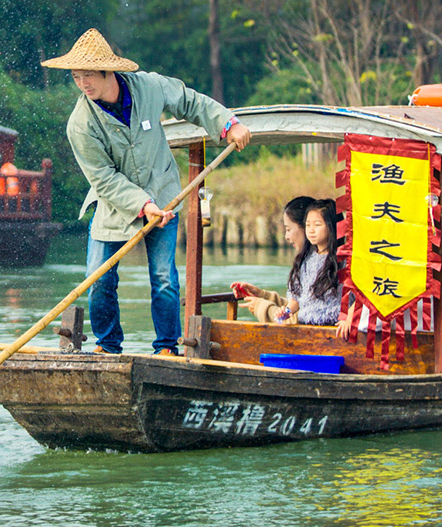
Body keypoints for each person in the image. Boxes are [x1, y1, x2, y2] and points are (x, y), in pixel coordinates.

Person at [41, 28, 251, 355]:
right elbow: (104, 178)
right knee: (99, 281)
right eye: (76, 77)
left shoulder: (148, 86)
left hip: (163, 193)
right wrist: (142, 205)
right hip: (113, 205)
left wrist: (228, 124)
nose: (83, 84)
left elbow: (189, 101)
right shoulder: (80, 124)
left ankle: (167, 347)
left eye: (88, 76)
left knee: (164, 279)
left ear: (108, 72)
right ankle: (108, 346)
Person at [230, 196, 315, 324]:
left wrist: (261, 307)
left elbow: (301, 320)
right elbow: (296, 307)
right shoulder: (309, 262)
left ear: (307, 227)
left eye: (288, 229)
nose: (286, 236)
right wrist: (262, 295)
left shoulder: (322, 266)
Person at [273, 198, 341, 326]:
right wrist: (286, 312)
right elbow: (297, 298)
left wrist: (348, 319)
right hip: (306, 325)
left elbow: (356, 295)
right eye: (308, 225)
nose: (311, 230)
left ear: (331, 226)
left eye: (317, 225)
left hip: (332, 326)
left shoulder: (343, 260)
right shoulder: (305, 260)